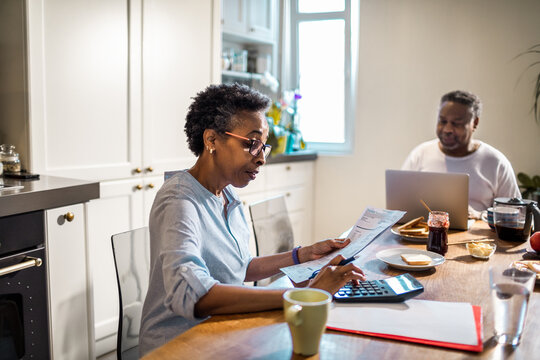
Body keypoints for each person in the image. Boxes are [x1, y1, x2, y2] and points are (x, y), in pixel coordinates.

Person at [139, 83, 365, 356]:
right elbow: (192, 294)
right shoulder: (179, 201)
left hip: (223, 332)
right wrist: (303, 297)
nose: (261, 159)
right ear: (211, 140)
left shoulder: (227, 196)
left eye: (263, 146)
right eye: (251, 143)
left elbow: (239, 268)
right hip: (179, 346)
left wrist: (304, 254)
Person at [402, 90, 520, 216]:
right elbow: (400, 204)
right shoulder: (421, 154)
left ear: (474, 123)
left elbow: (516, 215)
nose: (447, 129)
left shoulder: (496, 162)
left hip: (476, 234)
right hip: (426, 233)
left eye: (456, 123)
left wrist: (478, 216)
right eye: (442, 121)